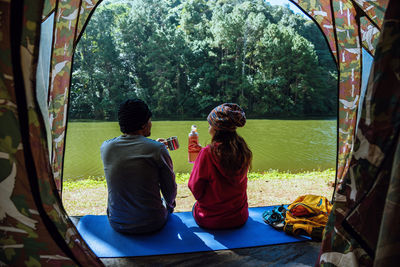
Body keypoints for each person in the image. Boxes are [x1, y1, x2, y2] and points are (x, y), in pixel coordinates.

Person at [101, 99, 177, 234]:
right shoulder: (157, 149)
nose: (151, 124)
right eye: (150, 120)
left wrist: (152, 145)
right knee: (166, 203)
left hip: (117, 222)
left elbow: (131, 155)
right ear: (143, 125)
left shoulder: (106, 147)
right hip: (152, 223)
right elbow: (170, 190)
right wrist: (170, 207)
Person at [188, 103, 252, 229]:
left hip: (212, 220)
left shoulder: (207, 153)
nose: (208, 128)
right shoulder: (242, 149)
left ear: (215, 129)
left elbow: (194, 187)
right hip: (239, 217)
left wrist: (200, 157)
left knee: (195, 207)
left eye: (209, 125)